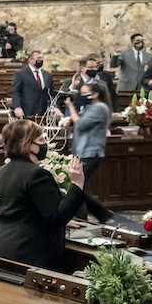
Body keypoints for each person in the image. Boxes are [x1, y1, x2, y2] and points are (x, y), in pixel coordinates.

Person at [0, 120, 86, 270]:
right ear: (26, 144)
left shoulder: (2, 171)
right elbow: (57, 217)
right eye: (40, 140)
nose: (44, 144)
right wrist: (77, 185)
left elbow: (23, 208)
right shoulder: (37, 174)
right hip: (27, 252)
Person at [62, 79, 114, 223]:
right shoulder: (88, 108)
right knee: (79, 187)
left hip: (91, 153)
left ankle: (96, 214)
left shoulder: (100, 108)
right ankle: (97, 214)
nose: (82, 95)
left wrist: (71, 107)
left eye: (85, 93)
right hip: (81, 151)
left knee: (78, 187)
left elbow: (82, 125)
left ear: (95, 94)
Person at [11, 50, 54, 118]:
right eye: (38, 58)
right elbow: (16, 91)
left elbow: (51, 93)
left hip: (44, 111)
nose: (41, 60)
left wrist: (54, 107)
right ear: (31, 60)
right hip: (27, 110)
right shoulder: (21, 74)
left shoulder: (47, 75)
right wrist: (17, 107)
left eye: (42, 58)